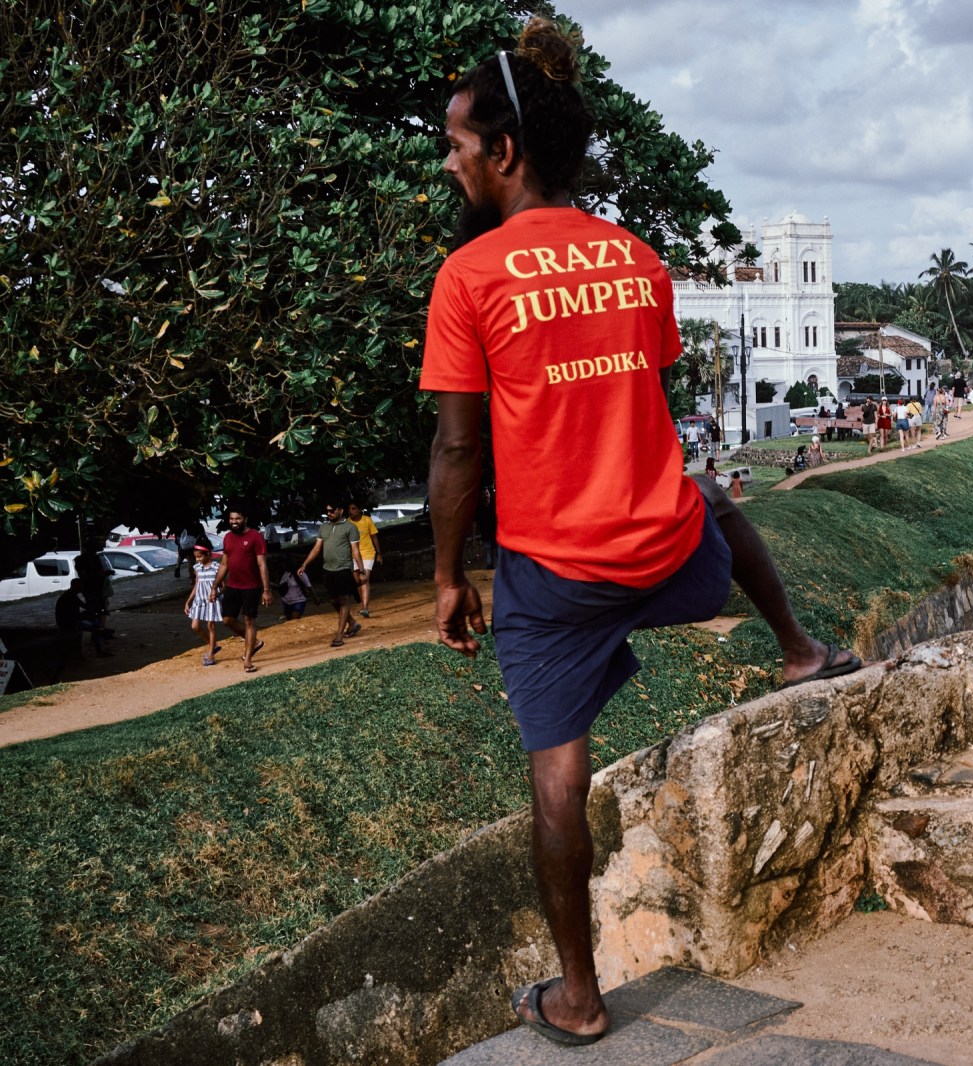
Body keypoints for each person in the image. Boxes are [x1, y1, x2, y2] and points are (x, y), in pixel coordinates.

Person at [420, 22, 862, 1045]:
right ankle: (798, 649)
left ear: (504, 153)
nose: (449, 162)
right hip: (669, 554)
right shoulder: (635, 259)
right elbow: (633, 403)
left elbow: (457, 455)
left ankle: (578, 997)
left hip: (558, 576)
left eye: (455, 143)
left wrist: (448, 575)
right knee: (712, 499)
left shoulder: (470, 277)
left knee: (557, 781)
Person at [209, 508, 271, 672]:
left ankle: (248, 659)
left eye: (237, 518)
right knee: (227, 620)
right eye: (231, 519)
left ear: (245, 518)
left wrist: (266, 589)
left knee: (249, 621)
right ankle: (255, 642)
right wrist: (215, 586)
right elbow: (224, 564)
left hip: (252, 587)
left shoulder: (255, 537)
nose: (234, 521)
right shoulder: (228, 538)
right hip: (232, 586)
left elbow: (262, 564)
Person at [298, 499, 366, 648]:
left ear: (341, 510)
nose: (329, 513)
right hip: (328, 568)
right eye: (327, 511)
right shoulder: (324, 527)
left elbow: (355, 550)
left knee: (343, 600)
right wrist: (305, 564)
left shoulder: (350, 527)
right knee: (334, 601)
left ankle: (339, 635)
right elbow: (317, 548)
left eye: (332, 510)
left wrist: (361, 570)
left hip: (343, 568)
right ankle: (352, 623)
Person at [185, 541, 223, 665]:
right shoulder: (197, 567)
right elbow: (197, 584)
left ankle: (211, 654)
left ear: (208, 555)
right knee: (195, 626)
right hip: (199, 600)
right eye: (196, 557)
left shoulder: (217, 567)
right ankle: (213, 645)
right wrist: (188, 602)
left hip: (212, 600)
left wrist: (216, 594)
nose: (198, 559)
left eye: (200, 556)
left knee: (210, 626)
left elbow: (225, 586)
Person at [55, 578, 111, 657]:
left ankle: (100, 639)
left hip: (69, 620)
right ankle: (99, 651)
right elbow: (82, 609)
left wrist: (97, 612)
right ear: (75, 586)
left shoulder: (70, 595)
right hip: (69, 623)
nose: (82, 588)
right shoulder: (70, 597)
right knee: (96, 627)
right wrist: (99, 612)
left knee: (94, 618)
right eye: (80, 586)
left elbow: (84, 607)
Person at [346, 501, 383, 618]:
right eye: (349, 509)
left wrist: (379, 553)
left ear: (359, 509)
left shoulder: (367, 520)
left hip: (367, 553)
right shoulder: (347, 523)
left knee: (364, 579)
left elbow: (374, 537)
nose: (351, 511)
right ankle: (363, 604)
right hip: (353, 556)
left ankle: (365, 608)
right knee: (357, 581)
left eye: (353, 508)